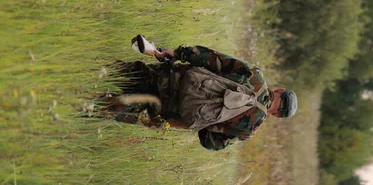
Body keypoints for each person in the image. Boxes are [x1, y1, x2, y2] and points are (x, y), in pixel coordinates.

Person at [98, 35, 298, 151]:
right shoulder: (249, 130)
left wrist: (177, 53)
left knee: (118, 73)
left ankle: (81, 69)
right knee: (112, 108)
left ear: (279, 90)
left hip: (172, 79)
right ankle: (80, 104)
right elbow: (209, 142)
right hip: (170, 113)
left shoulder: (255, 77)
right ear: (276, 115)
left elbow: (212, 58)